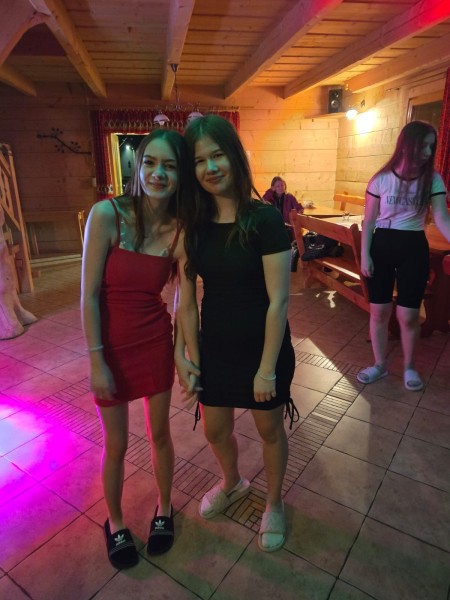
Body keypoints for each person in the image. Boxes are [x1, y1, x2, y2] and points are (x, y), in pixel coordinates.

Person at [176, 115, 298, 553]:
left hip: (263, 349)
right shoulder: (194, 224)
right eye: (199, 160)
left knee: (269, 430)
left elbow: (279, 301)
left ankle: (274, 502)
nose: (210, 167)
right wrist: (186, 357)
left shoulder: (264, 219)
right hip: (216, 350)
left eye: (218, 155)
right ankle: (233, 482)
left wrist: (266, 369)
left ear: (234, 157)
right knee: (215, 430)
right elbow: (185, 301)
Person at [81, 128, 195, 569]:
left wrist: (184, 355)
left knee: (160, 434)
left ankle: (165, 507)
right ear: (138, 166)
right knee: (116, 443)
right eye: (150, 162)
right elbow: (89, 295)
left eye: (169, 166)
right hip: (110, 347)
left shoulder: (181, 230)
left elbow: (186, 301)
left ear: (180, 175)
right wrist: (96, 360)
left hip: (154, 342)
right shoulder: (106, 214)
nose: (157, 173)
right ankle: (114, 521)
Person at [357, 121, 450, 391]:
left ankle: (410, 367)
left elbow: (442, 218)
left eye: (431, 146)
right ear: (407, 146)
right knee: (379, 312)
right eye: (423, 146)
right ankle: (380, 365)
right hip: (382, 246)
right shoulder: (381, 179)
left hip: (413, 246)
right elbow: (369, 221)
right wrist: (365, 255)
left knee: (408, 315)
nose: (428, 152)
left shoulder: (433, 179)